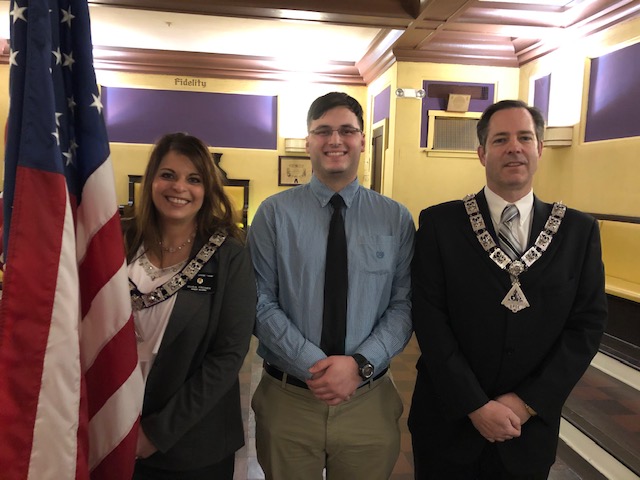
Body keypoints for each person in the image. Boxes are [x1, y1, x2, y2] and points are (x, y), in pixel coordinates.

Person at [409, 99, 607, 479]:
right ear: (482, 153)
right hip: (448, 421)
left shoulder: (579, 232)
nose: (514, 147)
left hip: (528, 429)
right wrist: (474, 405)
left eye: (524, 138)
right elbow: (429, 318)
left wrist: (526, 403)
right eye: (500, 139)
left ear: (539, 150)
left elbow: (587, 326)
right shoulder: (440, 224)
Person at [248, 92, 415, 479]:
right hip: (288, 400)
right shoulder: (274, 214)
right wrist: (314, 364)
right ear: (307, 142)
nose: (335, 140)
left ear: (362, 142)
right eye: (322, 131)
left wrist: (359, 366)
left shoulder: (396, 219)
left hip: (368, 402)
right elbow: (259, 300)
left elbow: (404, 304)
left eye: (347, 131)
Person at [125, 132, 256, 479]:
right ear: (151, 179)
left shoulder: (230, 256)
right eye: (168, 174)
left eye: (193, 179)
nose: (179, 187)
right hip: (110, 423)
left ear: (207, 189)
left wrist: (156, 432)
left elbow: (228, 356)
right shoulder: (118, 241)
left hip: (193, 443)